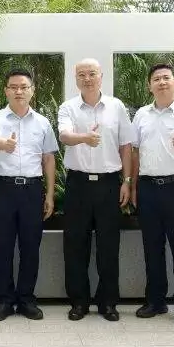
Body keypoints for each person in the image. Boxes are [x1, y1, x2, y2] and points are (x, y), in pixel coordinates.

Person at [57, 58, 135, 321]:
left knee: (108, 246)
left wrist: (126, 181)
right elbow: (64, 135)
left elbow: (126, 146)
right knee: (75, 246)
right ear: (76, 79)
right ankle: (79, 302)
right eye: (82, 74)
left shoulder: (116, 107)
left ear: (101, 76)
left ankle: (108, 303)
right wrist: (85, 138)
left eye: (92, 73)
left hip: (109, 184)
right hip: (77, 184)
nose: (87, 78)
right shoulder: (68, 107)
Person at [130, 63, 174, 326]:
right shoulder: (141, 114)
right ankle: (156, 301)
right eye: (156, 79)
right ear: (150, 86)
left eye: (166, 78)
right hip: (148, 187)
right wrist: (132, 184)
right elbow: (135, 151)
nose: (161, 82)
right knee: (152, 247)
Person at [0, 68, 58, 322]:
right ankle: (4, 301)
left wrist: (49, 195)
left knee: (30, 247)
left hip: (32, 190)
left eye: (24, 87)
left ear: (32, 91)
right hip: (3, 189)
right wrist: (4, 144)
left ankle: (26, 299)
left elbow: (49, 159)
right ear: (6, 90)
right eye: (13, 87)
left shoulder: (43, 123)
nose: (19, 91)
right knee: (2, 247)